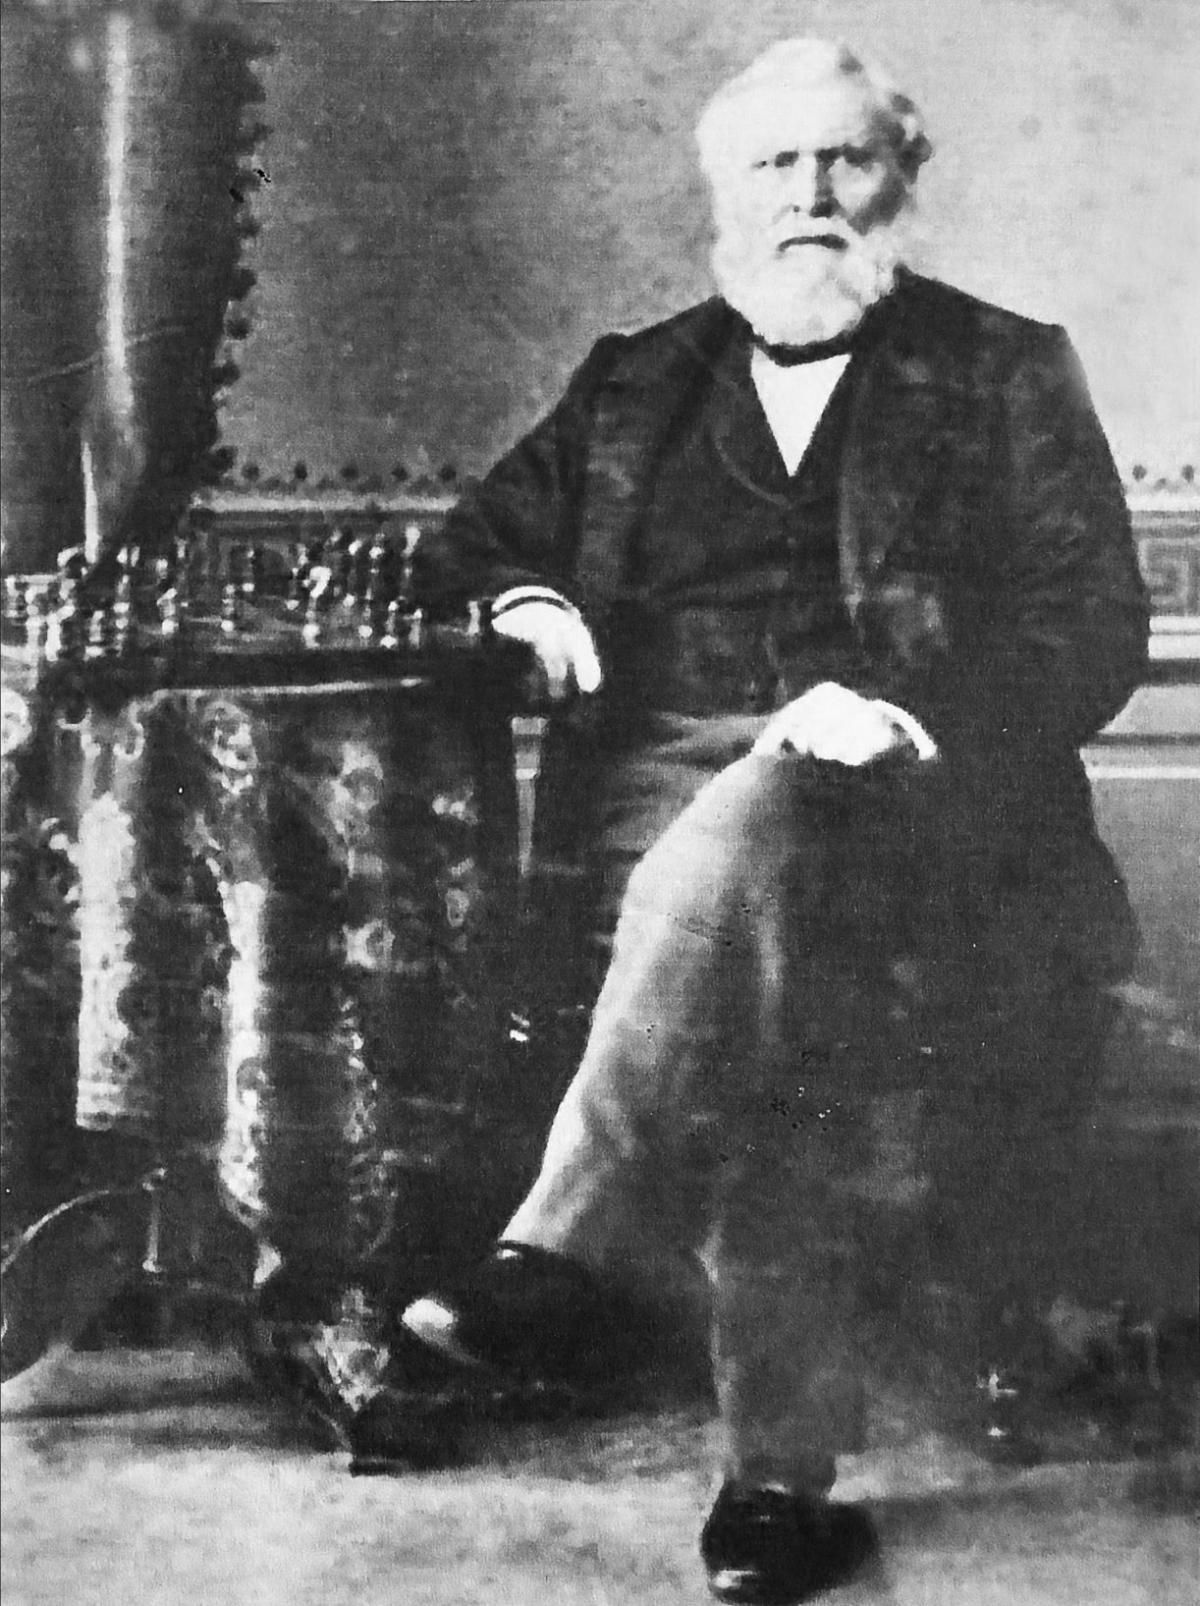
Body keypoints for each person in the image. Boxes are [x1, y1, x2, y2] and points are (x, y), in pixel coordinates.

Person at [404, 38, 1149, 1604]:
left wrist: (910, 714)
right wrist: (528, 599)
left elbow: (1091, 625)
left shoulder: (1008, 367)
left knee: (779, 839)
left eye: (845, 160)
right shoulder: (634, 378)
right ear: (723, 193)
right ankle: (771, 1485)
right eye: (774, 164)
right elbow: (469, 547)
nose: (810, 193)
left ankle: (566, 1253)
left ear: (902, 179)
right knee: (758, 921)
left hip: (919, 818)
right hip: (650, 816)